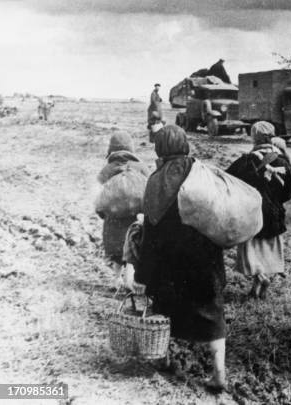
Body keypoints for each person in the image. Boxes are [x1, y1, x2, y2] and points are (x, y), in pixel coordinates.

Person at [131, 125, 228, 392]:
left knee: (165, 309)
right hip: (205, 259)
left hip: (169, 264)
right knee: (212, 313)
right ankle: (219, 374)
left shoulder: (156, 180)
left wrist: (144, 272)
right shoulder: (202, 173)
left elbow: (151, 230)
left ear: (160, 148)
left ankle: (162, 358)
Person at [227, 121, 291, 299]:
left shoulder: (246, 161)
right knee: (266, 252)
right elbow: (289, 193)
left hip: (252, 216)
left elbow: (228, 181)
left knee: (251, 252)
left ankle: (260, 277)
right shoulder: (283, 162)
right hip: (274, 216)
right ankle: (257, 285)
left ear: (254, 137)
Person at [96, 133, 149, 280]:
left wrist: (103, 213)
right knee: (133, 248)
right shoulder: (141, 167)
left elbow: (99, 196)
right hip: (135, 218)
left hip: (114, 220)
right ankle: (130, 278)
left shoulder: (107, 169)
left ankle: (116, 278)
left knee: (117, 253)